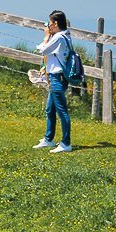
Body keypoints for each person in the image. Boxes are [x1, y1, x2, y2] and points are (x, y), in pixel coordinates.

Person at [33, 10, 73, 153]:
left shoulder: (59, 38)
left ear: (56, 24)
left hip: (57, 78)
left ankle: (66, 143)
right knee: (50, 109)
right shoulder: (65, 35)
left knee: (62, 112)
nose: (48, 27)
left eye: (50, 24)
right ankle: (49, 139)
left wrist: (46, 36)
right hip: (57, 78)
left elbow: (42, 50)